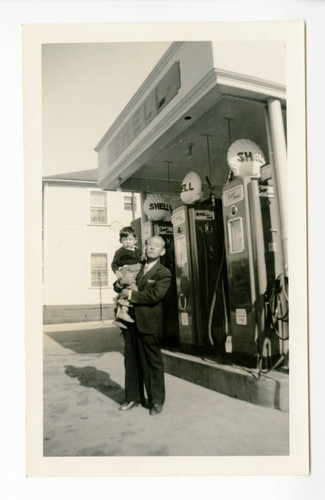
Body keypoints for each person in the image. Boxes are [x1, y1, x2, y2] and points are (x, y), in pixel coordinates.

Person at [114, 235, 171, 416]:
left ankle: (156, 402)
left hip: (149, 324)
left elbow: (154, 296)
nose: (151, 247)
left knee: (153, 363)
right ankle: (133, 398)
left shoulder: (164, 273)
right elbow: (120, 284)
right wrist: (118, 283)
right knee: (131, 361)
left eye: (156, 246)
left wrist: (129, 295)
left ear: (162, 251)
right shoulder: (137, 268)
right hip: (130, 323)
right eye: (149, 244)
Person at [111, 226, 143, 327]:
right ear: (120, 241)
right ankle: (123, 312)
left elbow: (141, 260)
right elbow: (114, 263)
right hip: (127, 271)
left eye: (130, 239)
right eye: (125, 240)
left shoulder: (138, 250)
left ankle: (119, 315)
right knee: (133, 291)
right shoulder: (120, 252)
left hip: (136, 270)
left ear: (135, 240)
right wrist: (117, 272)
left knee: (130, 291)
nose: (128, 242)